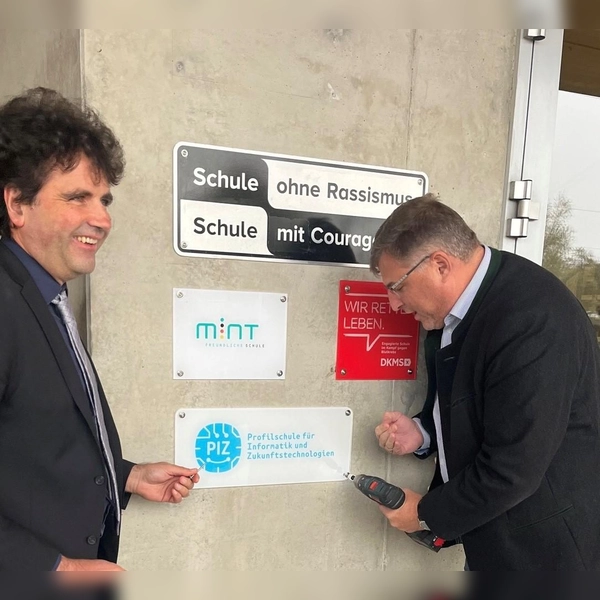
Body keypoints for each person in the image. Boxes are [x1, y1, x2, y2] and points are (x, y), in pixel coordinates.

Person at [0, 87, 200, 571]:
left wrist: (124, 476)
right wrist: (53, 568)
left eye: (104, 199)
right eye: (77, 197)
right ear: (17, 205)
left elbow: (31, 437)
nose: (102, 218)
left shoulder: (45, 294)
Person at [371, 194, 600, 570]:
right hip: (501, 544)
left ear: (440, 265)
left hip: (547, 557)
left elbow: (513, 468)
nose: (394, 304)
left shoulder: (532, 319)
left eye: (396, 286)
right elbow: (485, 403)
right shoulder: (462, 310)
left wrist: (425, 513)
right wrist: (423, 431)